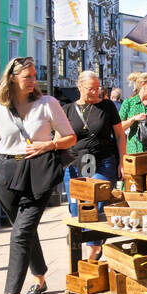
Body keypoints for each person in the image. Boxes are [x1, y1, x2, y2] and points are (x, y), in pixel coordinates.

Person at [0, 57, 77, 294]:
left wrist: (48, 145)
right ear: (12, 78)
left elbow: (71, 137)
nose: (32, 81)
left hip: (38, 173)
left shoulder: (47, 104)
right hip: (6, 174)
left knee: (20, 233)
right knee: (25, 231)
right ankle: (40, 278)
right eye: (27, 76)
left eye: (33, 76)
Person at [62, 70, 127, 233]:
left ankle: (92, 249)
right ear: (79, 87)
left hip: (103, 161)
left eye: (97, 88)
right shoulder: (68, 109)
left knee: (97, 204)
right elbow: (60, 138)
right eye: (90, 88)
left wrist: (122, 161)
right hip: (75, 163)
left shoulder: (107, 106)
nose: (95, 92)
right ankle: (81, 244)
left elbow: (119, 135)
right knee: (76, 208)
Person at [119, 71, 147, 153]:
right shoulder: (129, 102)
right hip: (134, 149)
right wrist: (134, 119)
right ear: (143, 84)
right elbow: (119, 127)